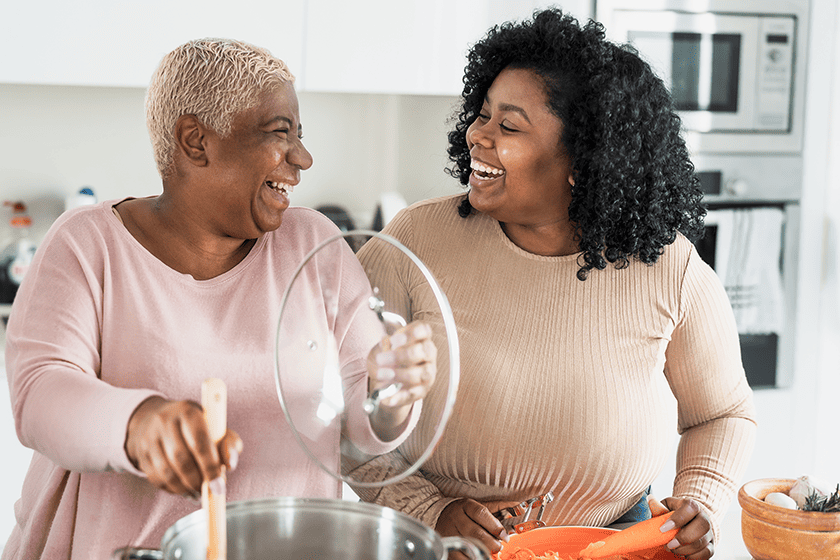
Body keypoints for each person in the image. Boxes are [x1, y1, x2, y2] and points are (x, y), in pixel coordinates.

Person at [2, 38, 437, 559]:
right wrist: (139, 423)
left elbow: (366, 427)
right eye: (280, 134)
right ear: (196, 141)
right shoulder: (87, 244)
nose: (302, 158)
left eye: (300, 135)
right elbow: (42, 395)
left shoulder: (314, 246)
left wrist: (393, 392)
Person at [351, 9, 756, 560]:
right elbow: (344, 404)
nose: (478, 135)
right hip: (440, 546)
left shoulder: (669, 269)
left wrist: (700, 501)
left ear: (582, 162)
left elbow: (722, 415)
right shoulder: (417, 242)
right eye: (483, 115)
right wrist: (431, 511)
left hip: (617, 544)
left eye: (508, 126)